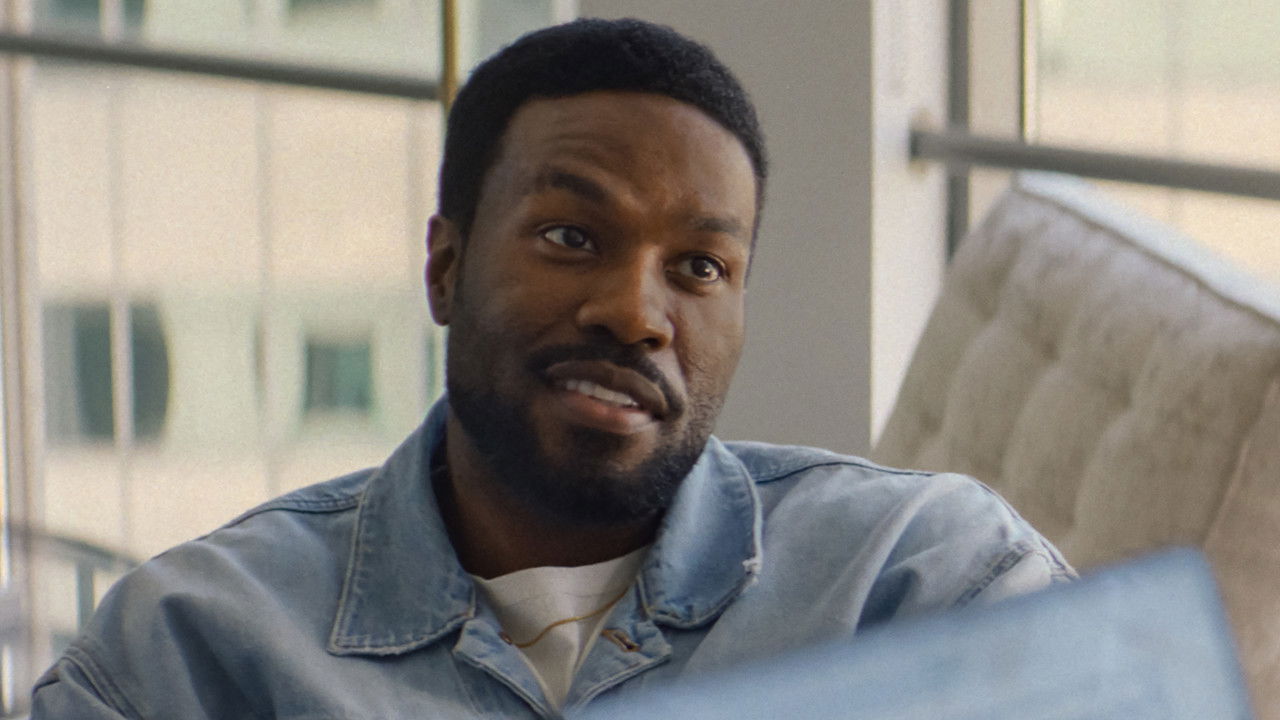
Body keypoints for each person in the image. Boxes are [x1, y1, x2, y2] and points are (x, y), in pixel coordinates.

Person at [31, 17, 1072, 719]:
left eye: (699, 267)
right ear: (446, 269)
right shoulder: (190, 652)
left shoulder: (923, 581)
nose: (635, 314)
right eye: (572, 237)